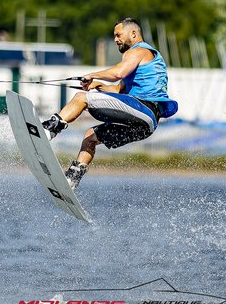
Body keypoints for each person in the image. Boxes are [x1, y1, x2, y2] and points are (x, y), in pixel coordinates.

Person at [42, 18, 178, 189]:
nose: (115, 39)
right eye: (114, 36)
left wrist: (93, 75)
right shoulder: (142, 62)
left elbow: (118, 72)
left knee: (81, 97)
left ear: (133, 33)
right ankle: (72, 178)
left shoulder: (139, 51)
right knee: (90, 137)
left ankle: (48, 130)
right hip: (146, 125)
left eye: (119, 35)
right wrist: (97, 86)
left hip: (143, 108)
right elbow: (117, 89)